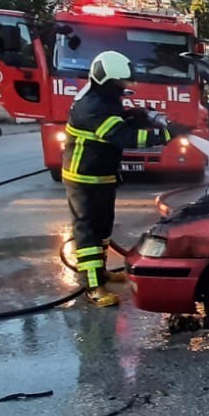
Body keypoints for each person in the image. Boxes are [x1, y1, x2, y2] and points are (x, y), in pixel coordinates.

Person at [62, 50, 173, 307]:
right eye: (120, 83)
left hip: (102, 175)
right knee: (88, 233)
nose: (124, 87)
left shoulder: (103, 100)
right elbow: (124, 138)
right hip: (84, 179)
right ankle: (93, 287)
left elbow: (117, 124)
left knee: (103, 230)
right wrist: (165, 135)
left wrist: (133, 116)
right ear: (106, 80)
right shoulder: (91, 108)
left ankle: (100, 272)